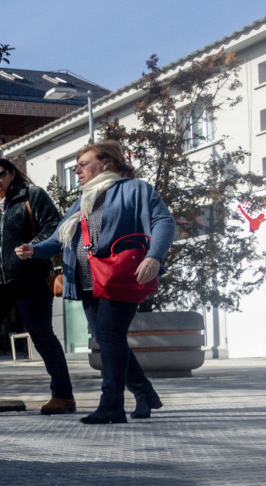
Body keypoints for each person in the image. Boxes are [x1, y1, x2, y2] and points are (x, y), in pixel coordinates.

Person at [17, 140, 174, 424]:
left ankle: (112, 404)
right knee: (107, 339)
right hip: (87, 280)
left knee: (110, 337)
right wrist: (34, 249)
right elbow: (58, 240)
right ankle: (144, 393)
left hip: (120, 276)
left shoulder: (135, 189)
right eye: (76, 166)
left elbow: (164, 221)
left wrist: (155, 257)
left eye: (83, 164)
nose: (77, 171)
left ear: (107, 163)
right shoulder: (82, 201)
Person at [0, 158, 75, 418]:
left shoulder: (31, 196)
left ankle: (63, 395)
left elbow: (53, 227)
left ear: (12, 173)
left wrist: (33, 247)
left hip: (30, 279)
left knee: (43, 337)